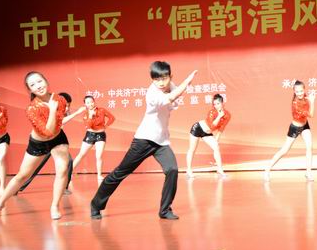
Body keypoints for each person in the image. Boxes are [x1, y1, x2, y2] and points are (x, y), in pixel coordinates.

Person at [90, 61, 197, 220]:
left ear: (170, 77)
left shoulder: (170, 85)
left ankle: (165, 210)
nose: (161, 83)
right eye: (156, 79)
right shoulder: (152, 93)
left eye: (164, 78)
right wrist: (187, 81)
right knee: (120, 172)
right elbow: (171, 98)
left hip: (161, 142)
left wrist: (180, 86)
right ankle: (96, 204)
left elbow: (174, 94)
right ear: (152, 80)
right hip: (144, 140)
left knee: (172, 170)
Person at [0, 72, 73, 220]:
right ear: (30, 90)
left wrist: (60, 112)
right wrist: (52, 110)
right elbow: (47, 133)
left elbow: (60, 119)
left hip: (58, 139)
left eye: (40, 81)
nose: (38, 86)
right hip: (39, 143)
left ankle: (55, 206)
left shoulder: (60, 99)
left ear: (46, 81)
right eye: (33, 85)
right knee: (22, 176)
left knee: (62, 170)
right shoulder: (32, 109)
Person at [18, 92, 82, 193]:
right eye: (65, 104)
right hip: (44, 141)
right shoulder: (49, 109)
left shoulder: (63, 110)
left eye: (68, 105)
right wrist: (77, 113)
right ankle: (19, 187)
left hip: (56, 141)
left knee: (68, 161)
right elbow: (62, 121)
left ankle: (63, 188)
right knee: (35, 166)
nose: (66, 107)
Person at [263, 81, 315, 181]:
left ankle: (308, 173)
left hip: (305, 125)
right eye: (297, 92)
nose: (300, 93)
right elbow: (311, 115)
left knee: (309, 147)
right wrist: (312, 102)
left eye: (301, 91)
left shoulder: (305, 97)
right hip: (295, 128)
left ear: (304, 89)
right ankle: (267, 170)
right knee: (284, 150)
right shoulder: (296, 104)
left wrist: (310, 100)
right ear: (294, 91)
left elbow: (307, 112)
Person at [70, 95, 116, 185]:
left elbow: (112, 118)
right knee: (81, 154)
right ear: (85, 104)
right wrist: (91, 116)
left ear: (94, 102)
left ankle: (99, 175)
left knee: (99, 156)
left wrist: (106, 125)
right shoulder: (85, 114)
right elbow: (88, 126)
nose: (90, 104)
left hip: (100, 135)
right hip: (90, 135)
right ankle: (69, 172)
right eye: (88, 103)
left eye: (91, 102)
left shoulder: (101, 110)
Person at [186, 94, 231, 178]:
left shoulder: (227, 115)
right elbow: (212, 126)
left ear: (222, 103)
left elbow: (222, 128)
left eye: (218, 104)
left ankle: (220, 170)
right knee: (192, 149)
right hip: (197, 128)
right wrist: (219, 116)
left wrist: (217, 139)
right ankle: (188, 170)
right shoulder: (212, 112)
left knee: (216, 147)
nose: (216, 106)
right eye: (214, 104)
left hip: (207, 133)